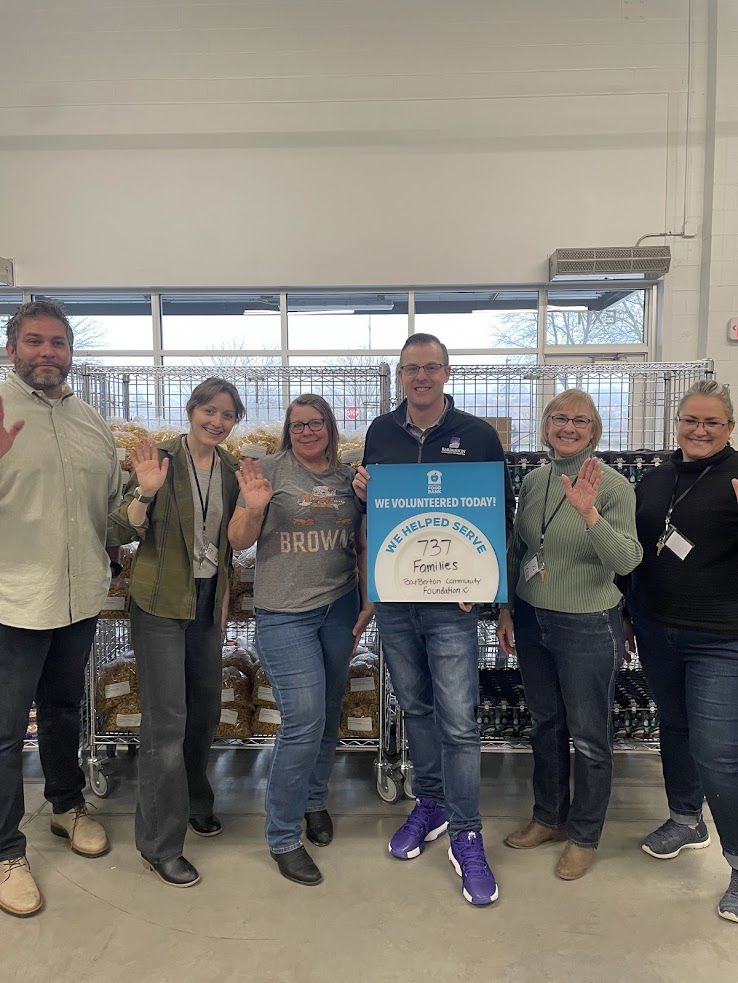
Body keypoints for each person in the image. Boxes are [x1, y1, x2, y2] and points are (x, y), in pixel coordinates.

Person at [352, 333, 515, 907]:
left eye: (430, 368)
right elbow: (376, 510)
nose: (420, 377)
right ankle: (432, 802)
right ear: (399, 376)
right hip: (397, 599)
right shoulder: (380, 432)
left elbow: (496, 513)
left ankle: (468, 832)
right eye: (410, 369)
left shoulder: (476, 436)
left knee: (458, 720)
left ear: (447, 373)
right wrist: (361, 490)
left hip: (453, 603)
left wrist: (487, 585)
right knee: (415, 706)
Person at [0, 300, 122, 919]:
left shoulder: (91, 422)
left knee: (63, 711)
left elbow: (114, 511)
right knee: (2, 733)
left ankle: (67, 807)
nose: (47, 352)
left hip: (78, 598)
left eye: (58, 343)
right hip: (12, 602)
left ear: (71, 352)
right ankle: (5, 850)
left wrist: (145, 501)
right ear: (11, 347)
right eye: (34, 341)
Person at [497, 389, 641, 880]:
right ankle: (549, 817)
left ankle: (584, 835)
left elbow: (626, 560)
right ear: (545, 424)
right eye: (560, 417)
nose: (569, 427)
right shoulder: (535, 481)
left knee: (591, 736)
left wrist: (588, 513)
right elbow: (521, 549)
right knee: (547, 725)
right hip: (534, 619)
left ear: (595, 430)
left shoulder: (615, 487)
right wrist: (507, 609)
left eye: (581, 420)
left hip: (587, 623)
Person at [228, 393, 371, 887]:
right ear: (287, 432)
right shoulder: (265, 470)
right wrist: (252, 506)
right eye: (298, 425)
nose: (307, 432)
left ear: (330, 427)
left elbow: (365, 538)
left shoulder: (349, 477)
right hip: (285, 615)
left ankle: (314, 800)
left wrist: (369, 597)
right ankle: (282, 834)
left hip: (340, 610)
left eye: (316, 424)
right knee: (303, 719)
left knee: (329, 710)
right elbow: (238, 540)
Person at [108, 378, 244, 888]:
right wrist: (145, 492)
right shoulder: (159, 459)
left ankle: (194, 802)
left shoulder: (231, 469)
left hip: (208, 603)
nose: (217, 421)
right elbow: (118, 529)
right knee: (166, 723)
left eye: (227, 415)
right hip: (161, 603)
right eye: (209, 410)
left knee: (204, 710)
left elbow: (229, 545)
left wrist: (225, 600)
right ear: (191, 411)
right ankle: (159, 845)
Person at [625, 379, 738, 923]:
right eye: (690, 420)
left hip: (721, 637)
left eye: (711, 422)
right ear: (677, 423)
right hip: (655, 625)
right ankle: (685, 818)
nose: (699, 430)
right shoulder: (656, 478)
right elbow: (639, 552)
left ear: (729, 428)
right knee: (673, 727)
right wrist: (628, 613)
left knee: (718, 751)